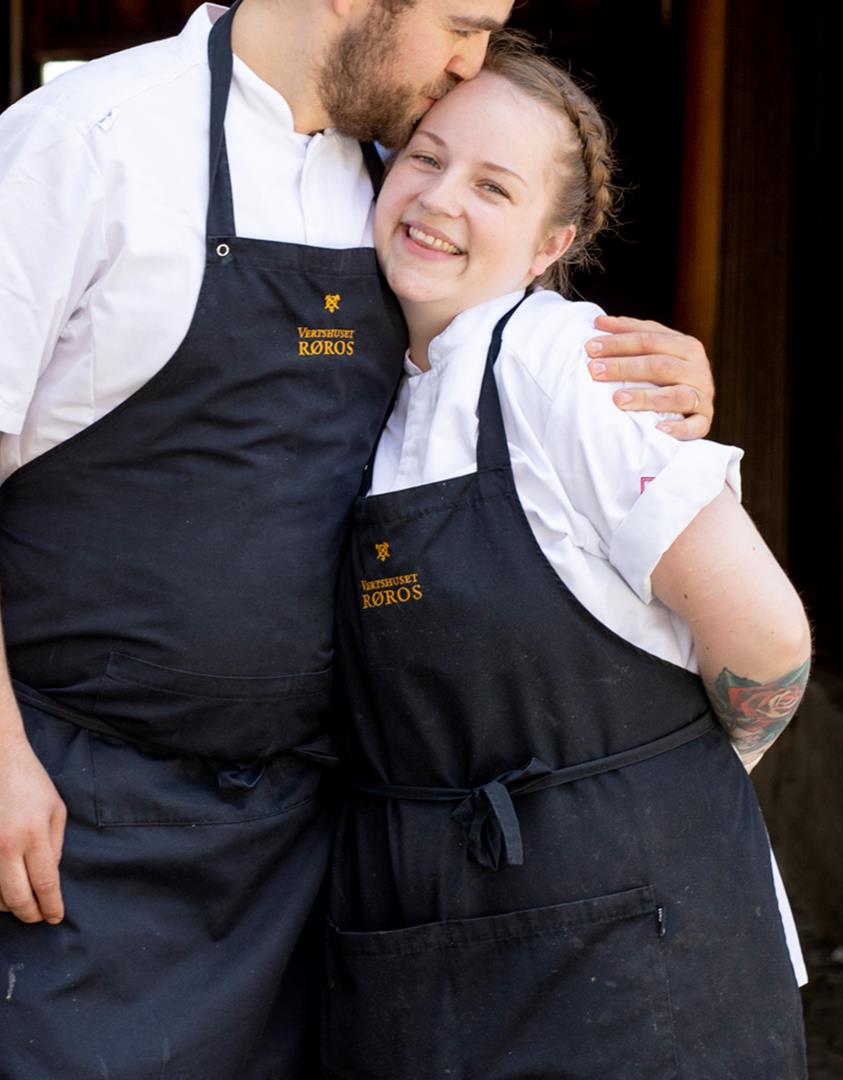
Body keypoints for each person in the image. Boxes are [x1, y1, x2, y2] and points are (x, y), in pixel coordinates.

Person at [0, 2, 723, 1076]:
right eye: (462, 25)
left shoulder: (397, 177)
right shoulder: (86, 141)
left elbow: (501, 348)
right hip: (72, 818)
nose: (472, 64)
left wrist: (661, 382)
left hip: (298, 839)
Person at [321, 37, 810, 1078]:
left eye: (492, 185)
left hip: (637, 961)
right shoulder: (377, 386)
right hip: (442, 949)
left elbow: (767, 638)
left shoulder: (571, 368)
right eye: (425, 157)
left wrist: (669, 785)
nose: (439, 199)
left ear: (552, 243)